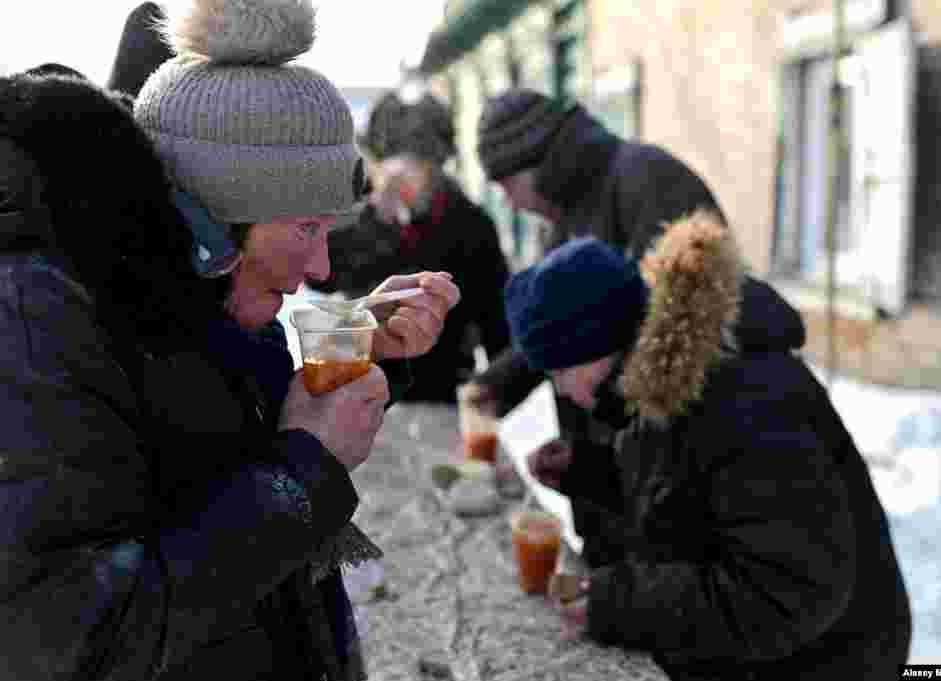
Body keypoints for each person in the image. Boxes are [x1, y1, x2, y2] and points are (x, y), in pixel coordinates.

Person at [0, 2, 459, 680]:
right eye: (308, 228)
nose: (324, 268)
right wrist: (304, 473)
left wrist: (359, 338)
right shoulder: (37, 322)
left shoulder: (188, 276)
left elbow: (214, 411)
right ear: (216, 216)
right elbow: (74, 643)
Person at [502, 212, 912, 680]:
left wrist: (622, 605)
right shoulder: (668, 380)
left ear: (596, 346)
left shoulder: (743, 400)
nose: (559, 392)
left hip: (829, 662)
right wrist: (593, 472)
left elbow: (784, 592)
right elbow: (696, 498)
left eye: (559, 372)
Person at [468, 87, 724, 416]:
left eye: (507, 185)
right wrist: (500, 384)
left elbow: (674, 331)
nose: (509, 202)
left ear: (535, 166)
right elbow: (562, 329)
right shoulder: (567, 213)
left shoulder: (647, 179)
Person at [308, 89, 512, 403]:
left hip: (443, 394)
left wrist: (494, 392)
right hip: (357, 389)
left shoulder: (470, 224)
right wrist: (374, 219)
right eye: (395, 167)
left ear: (439, 164)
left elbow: (496, 324)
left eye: (418, 167)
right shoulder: (357, 213)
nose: (406, 183)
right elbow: (320, 277)